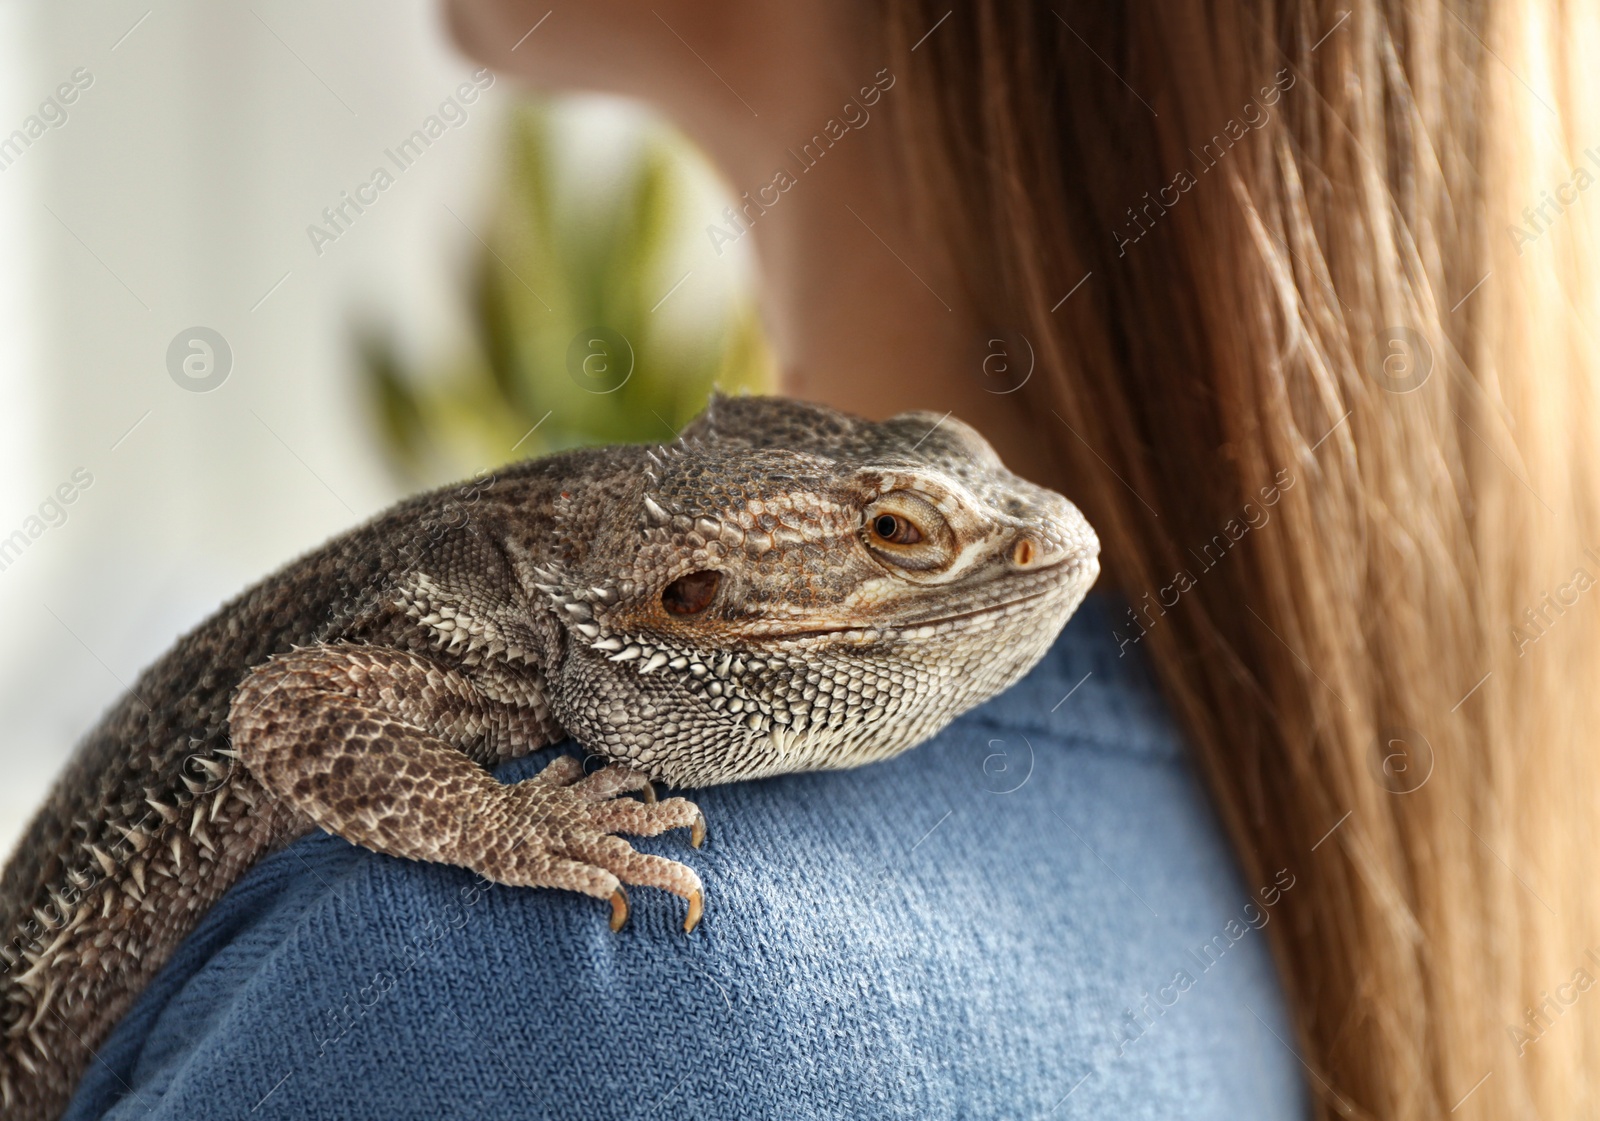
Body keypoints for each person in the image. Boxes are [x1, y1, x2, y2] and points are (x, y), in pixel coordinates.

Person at [67, 3, 1600, 1119]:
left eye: (901, 532)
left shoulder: (505, 993)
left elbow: (293, 724)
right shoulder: (1244, 811)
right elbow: (280, 714)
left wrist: (507, 836)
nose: (1017, 534)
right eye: (895, 527)